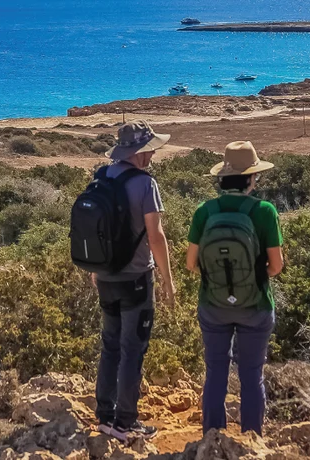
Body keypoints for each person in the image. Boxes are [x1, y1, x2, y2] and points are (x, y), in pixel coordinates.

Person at [185, 141, 284, 436]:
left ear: (222, 179)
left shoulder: (204, 211)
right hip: (255, 307)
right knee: (251, 375)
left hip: (212, 305)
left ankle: (212, 441)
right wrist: (251, 280)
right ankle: (251, 439)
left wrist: (218, 279)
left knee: (215, 373)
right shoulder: (265, 211)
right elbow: (276, 266)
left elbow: (191, 264)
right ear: (252, 178)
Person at [94, 120, 176, 441]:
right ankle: (126, 423)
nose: (153, 155)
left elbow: (98, 228)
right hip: (137, 279)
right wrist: (167, 280)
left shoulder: (102, 176)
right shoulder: (145, 184)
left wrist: (94, 268)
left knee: (110, 345)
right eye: (150, 149)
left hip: (105, 276)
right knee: (132, 349)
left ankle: (105, 416)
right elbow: (156, 236)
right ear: (140, 153)